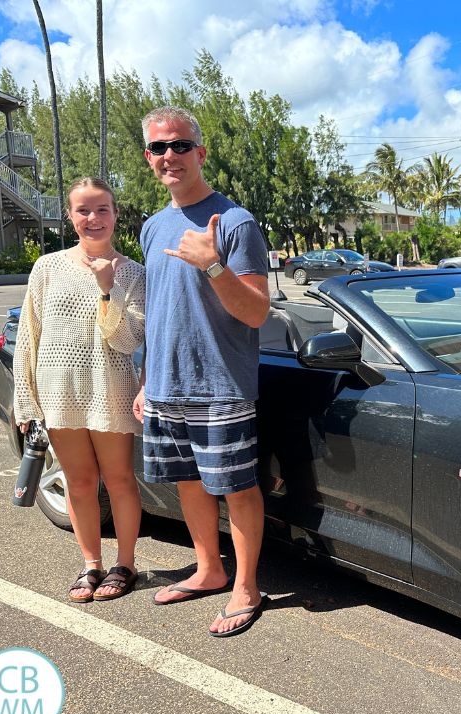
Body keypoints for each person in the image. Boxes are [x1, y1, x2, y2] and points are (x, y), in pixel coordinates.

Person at [134, 106, 271, 637]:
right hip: (166, 385)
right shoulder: (152, 226)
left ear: (200, 153)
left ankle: (246, 585)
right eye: (158, 148)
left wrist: (213, 264)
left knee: (236, 487)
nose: (170, 156)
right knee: (189, 484)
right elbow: (159, 310)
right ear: (149, 158)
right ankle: (210, 570)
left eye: (180, 145)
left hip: (220, 388)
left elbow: (257, 311)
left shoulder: (235, 223)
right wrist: (146, 379)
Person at [13, 177, 145, 603]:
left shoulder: (134, 275)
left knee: (120, 480)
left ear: (115, 214)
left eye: (102, 209)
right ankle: (91, 564)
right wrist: (26, 398)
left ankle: (125, 564)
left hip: (110, 390)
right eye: (83, 210)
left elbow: (126, 341)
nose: (93, 218)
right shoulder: (47, 267)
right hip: (58, 393)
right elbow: (29, 337)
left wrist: (107, 288)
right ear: (70, 216)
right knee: (79, 482)